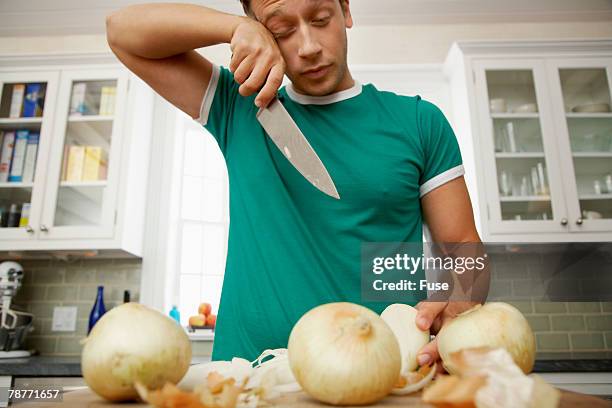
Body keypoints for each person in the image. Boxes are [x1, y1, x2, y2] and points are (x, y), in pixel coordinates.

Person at [106, 0, 483, 367]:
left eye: (320, 19)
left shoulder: (419, 122)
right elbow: (122, 31)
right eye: (281, 30)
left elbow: (463, 245)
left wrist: (459, 304)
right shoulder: (238, 107)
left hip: (386, 375)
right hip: (249, 375)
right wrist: (235, 29)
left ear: (346, 11)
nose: (308, 47)